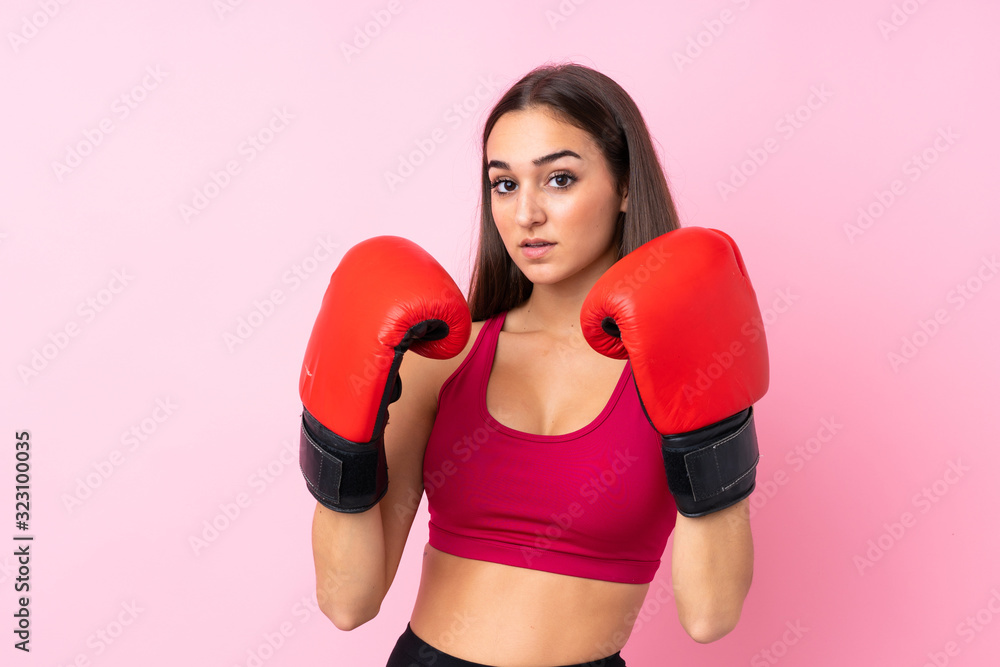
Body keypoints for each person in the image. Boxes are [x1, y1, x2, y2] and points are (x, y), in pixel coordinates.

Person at [299, 63, 769, 667]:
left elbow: (711, 615)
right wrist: (337, 435)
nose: (526, 215)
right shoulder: (442, 360)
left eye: (560, 179)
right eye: (504, 184)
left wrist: (711, 433)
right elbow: (347, 602)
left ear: (626, 187)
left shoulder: (677, 364)